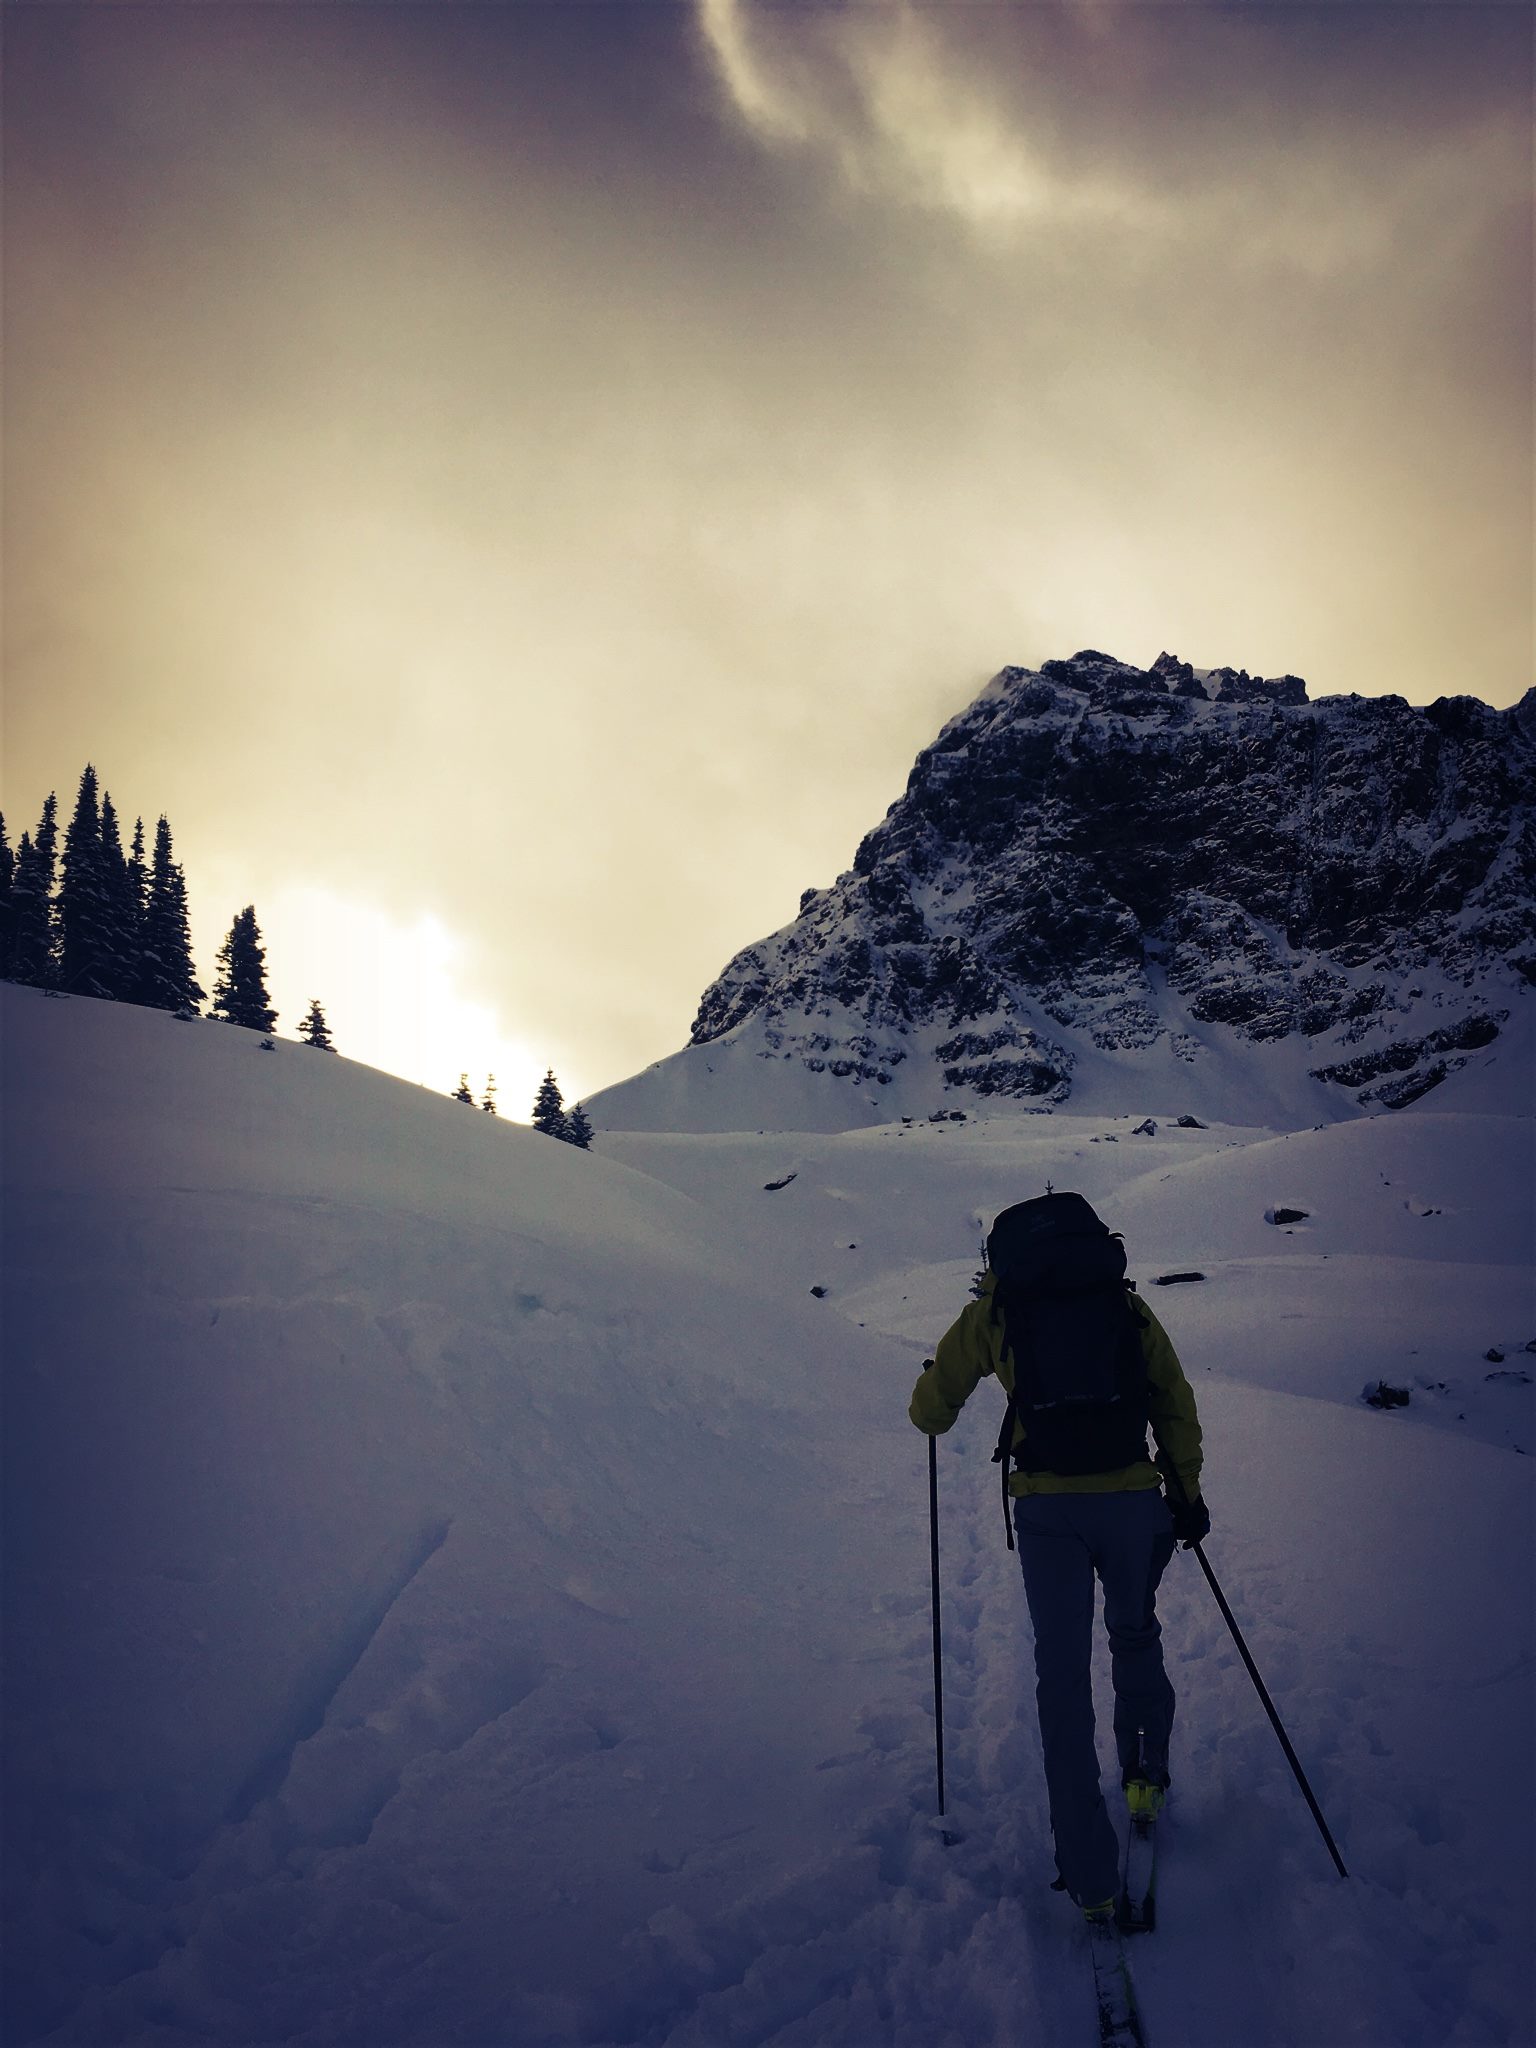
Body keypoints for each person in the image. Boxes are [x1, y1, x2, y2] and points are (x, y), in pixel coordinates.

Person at [909, 1190, 1208, 1924]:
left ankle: (1089, 1875)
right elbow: (1172, 1401)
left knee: (1062, 1679)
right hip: (1135, 1501)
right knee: (1136, 1634)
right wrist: (1186, 1493)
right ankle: (1144, 1775)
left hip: (1047, 1510)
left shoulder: (997, 1312)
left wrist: (932, 1384)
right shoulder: (1124, 1305)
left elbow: (931, 1411)